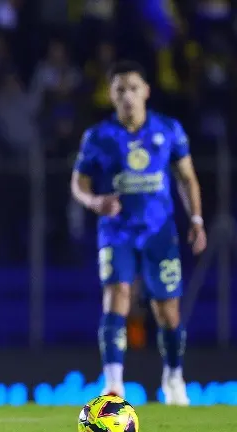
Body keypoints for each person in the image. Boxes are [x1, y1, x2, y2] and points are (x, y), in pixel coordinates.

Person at [70, 61, 206, 406]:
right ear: (111, 95)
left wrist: (197, 219)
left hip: (160, 231)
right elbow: (79, 183)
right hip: (117, 232)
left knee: (167, 312)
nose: (127, 96)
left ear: (146, 90)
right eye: (120, 90)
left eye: (133, 88)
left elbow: (186, 177)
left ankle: (174, 378)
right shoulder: (98, 136)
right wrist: (94, 201)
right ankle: (114, 384)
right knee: (116, 297)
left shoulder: (168, 129)